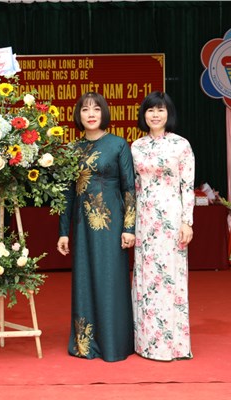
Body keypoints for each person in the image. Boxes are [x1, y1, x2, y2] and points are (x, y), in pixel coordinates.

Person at [57, 92, 136, 362]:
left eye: (96, 109)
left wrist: (129, 227)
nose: (91, 114)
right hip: (82, 226)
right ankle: (85, 344)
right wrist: (63, 232)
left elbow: (129, 188)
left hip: (111, 224)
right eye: (85, 109)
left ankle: (114, 344)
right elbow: (66, 194)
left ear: (104, 113)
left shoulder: (118, 145)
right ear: (78, 115)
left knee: (109, 279)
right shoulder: (71, 149)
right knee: (84, 279)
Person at [130, 91, 195, 361]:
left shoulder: (181, 145)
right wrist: (130, 224)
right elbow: (133, 188)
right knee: (146, 279)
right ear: (143, 115)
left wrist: (187, 222)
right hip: (145, 220)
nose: (155, 115)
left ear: (169, 114)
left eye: (160, 110)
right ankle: (145, 343)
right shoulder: (136, 147)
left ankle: (174, 345)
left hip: (171, 217)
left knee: (170, 279)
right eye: (150, 110)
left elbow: (187, 186)